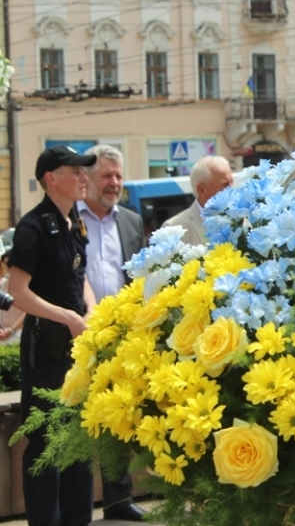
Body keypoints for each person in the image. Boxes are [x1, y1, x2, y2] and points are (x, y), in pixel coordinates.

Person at [6, 145, 97, 526]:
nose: (84, 177)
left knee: (78, 444)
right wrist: (66, 317)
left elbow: (81, 279)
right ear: (51, 179)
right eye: (75, 171)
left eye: (84, 171)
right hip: (45, 351)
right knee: (45, 446)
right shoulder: (33, 227)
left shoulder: (75, 220)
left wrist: (91, 311)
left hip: (76, 351)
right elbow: (18, 289)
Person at [78, 144, 147, 522]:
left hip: (122, 336)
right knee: (82, 421)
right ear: (86, 178)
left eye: (118, 175)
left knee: (120, 415)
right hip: (80, 334)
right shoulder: (72, 218)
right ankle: (80, 502)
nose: (114, 182)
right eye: (106, 175)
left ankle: (119, 501)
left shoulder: (132, 221)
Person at [161, 155, 233, 245]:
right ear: (202, 189)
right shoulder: (173, 228)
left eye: (232, 182)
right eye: (225, 184)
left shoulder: (242, 220)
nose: (232, 188)